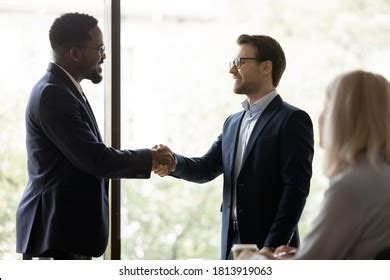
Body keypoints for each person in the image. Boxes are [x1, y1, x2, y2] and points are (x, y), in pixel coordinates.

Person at [16, 12, 174, 260]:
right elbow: (95, 160)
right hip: (55, 236)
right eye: (99, 48)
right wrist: (149, 157)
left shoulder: (64, 90)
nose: (104, 55)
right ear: (75, 53)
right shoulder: (53, 94)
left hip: (63, 235)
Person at [154, 34, 314, 259]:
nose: (232, 70)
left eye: (240, 62)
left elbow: (296, 189)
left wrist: (272, 246)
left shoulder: (292, 119)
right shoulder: (232, 122)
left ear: (266, 67)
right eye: (233, 62)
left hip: (272, 247)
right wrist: (173, 163)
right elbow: (207, 167)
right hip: (232, 245)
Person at [239, 70, 390, 260]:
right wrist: (297, 256)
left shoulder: (350, 188)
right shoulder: (381, 178)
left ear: (342, 117)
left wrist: (251, 260)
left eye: (328, 107)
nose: (320, 117)